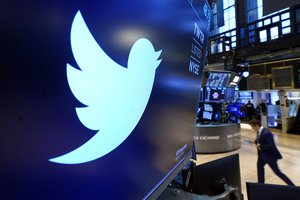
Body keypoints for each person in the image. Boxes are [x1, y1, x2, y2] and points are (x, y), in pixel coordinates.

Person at [249, 119, 295, 186]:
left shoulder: (266, 133)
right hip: (262, 155)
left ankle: (292, 185)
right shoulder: (259, 131)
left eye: (252, 127)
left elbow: (271, 146)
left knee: (277, 172)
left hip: (270, 156)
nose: (252, 128)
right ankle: (261, 183)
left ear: (256, 126)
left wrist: (260, 146)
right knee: (259, 167)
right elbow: (259, 139)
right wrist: (254, 142)